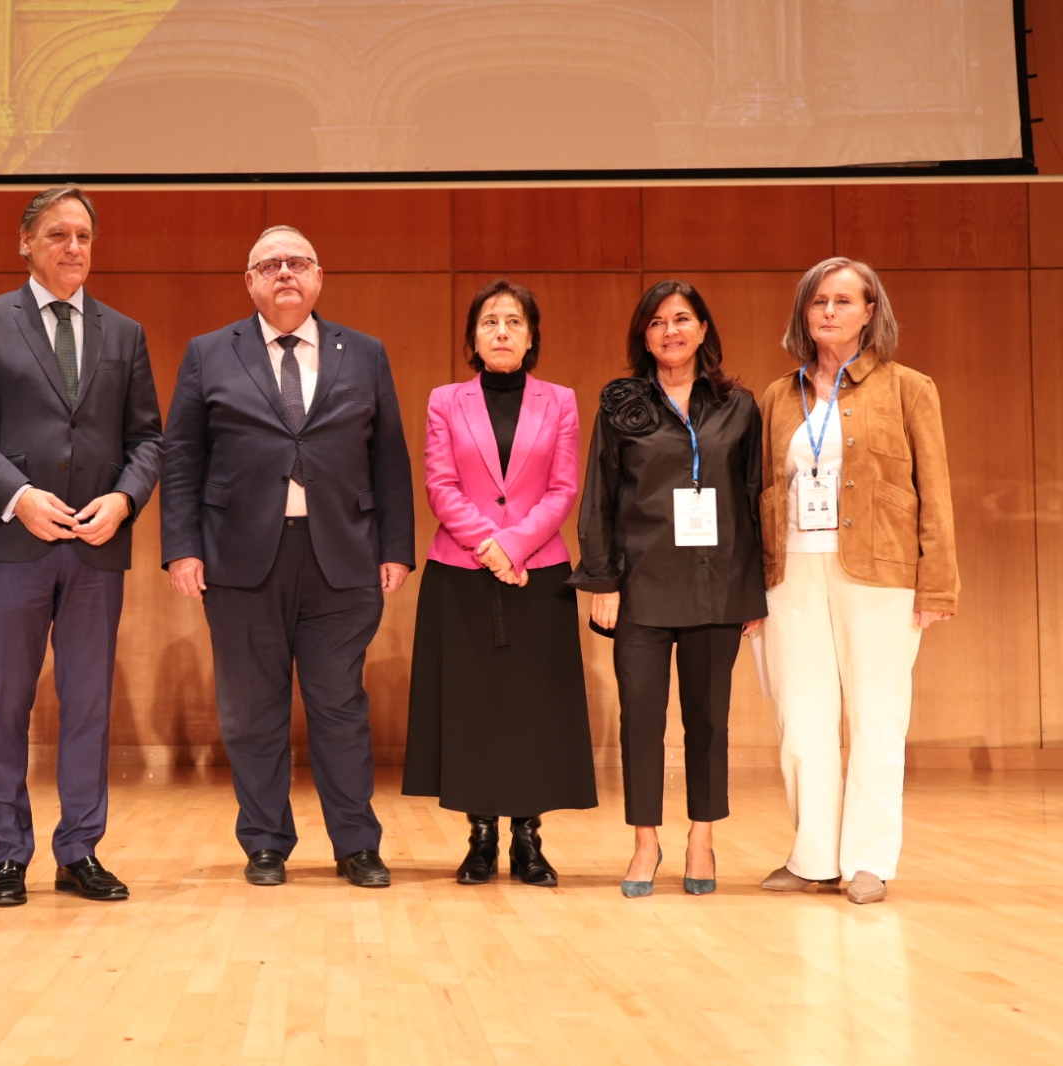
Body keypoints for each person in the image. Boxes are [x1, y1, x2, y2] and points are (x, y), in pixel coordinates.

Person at [161, 225, 415, 889]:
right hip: (240, 561)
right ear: (249, 283)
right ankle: (266, 843)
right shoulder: (209, 353)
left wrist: (396, 546)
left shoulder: (363, 353)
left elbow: (389, 455)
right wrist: (181, 549)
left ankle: (357, 844)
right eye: (269, 265)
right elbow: (183, 457)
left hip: (342, 558)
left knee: (339, 708)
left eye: (297, 263)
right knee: (251, 712)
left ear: (318, 277)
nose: (284, 274)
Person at [0, 186, 163, 907]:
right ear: (25, 243)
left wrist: (124, 500)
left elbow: (149, 439)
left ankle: (80, 850)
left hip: (95, 548)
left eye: (85, 237)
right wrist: (17, 496)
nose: (74, 248)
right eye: (59, 234)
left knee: (89, 703)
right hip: (14, 543)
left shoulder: (123, 333)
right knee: (6, 701)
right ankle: (6, 855)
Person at [756, 257, 956, 905]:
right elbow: (759, 491)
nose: (830, 312)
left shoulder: (909, 389)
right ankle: (814, 855)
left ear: (872, 312)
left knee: (877, 717)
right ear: (803, 314)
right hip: (791, 574)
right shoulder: (776, 397)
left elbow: (936, 493)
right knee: (802, 719)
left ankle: (868, 858)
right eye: (818, 302)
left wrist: (938, 586)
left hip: (882, 575)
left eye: (844, 301)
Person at [569, 280, 765, 898]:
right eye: (657, 322)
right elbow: (599, 496)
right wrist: (603, 581)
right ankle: (646, 842)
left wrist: (757, 592)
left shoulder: (740, 406)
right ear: (643, 335)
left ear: (704, 329)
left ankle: (702, 837)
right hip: (643, 587)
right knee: (642, 720)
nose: (671, 331)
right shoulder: (622, 405)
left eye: (682, 319)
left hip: (719, 584)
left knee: (709, 721)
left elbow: (760, 500)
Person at [402, 279, 596, 886]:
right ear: (473, 338)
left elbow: (564, 488)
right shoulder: (444, 400)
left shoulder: (560, 401)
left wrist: (513, 545)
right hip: (460, 570)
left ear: (532, 335)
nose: (502, 332)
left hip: (538, 572)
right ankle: (480, 837)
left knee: (534, 707)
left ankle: (528, 840)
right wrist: (488, 546)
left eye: (514, 322)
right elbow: (440, 485)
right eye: (490, 322)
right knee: (472, 706)